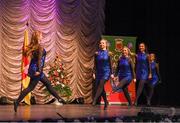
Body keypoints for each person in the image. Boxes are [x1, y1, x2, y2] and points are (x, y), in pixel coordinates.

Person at [14, 31, 65, 112]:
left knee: (47, 84)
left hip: (34, 68)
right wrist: (39, 70)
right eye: (41, 35)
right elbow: (39, 60)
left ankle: (59, 98)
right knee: (31, 88)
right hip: (37, 70)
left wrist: (33, 69)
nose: (42, 36)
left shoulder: (35, 46)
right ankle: (17, 101)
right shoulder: (39, 47)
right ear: (37, 37)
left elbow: (35, 59)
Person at [92, 39, 113, 110]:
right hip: (99, 72)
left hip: (106, 72)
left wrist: (112, 73)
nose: (101, 44)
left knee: (101, 85)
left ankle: (94, 99)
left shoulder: (109, 53)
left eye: (103, 43)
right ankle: (106, 102)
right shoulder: (96, 53)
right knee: (102, 89)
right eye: (100, 43)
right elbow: (95, 64)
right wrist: (94, 72)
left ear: (106, 44)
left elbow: (111, 64)